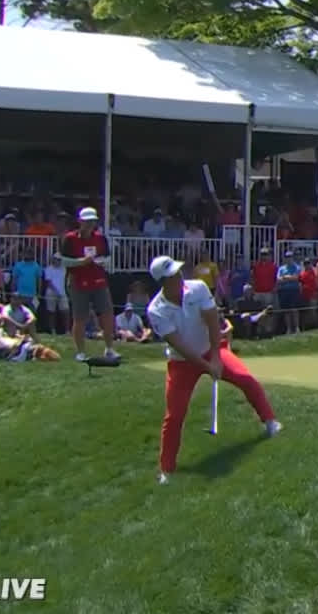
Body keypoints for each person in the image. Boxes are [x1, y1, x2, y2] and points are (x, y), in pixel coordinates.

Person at [145, 255, 281, 485]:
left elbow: (212, 322)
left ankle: (270, 422)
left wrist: (216, 358)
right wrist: (207, 367)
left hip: (212, 349)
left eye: (178, 272)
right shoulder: (156, 310)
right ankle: (167, 470)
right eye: (172, 276)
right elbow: (180, 346)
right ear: (162, 282)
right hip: (182, 363)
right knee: (174, 415)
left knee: (245, 378)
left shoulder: (197, 288)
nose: (179, 277)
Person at [59, 207, 120, 363]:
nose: (90, 224)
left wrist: (99, 262)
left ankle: (109, 348)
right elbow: (63, 261)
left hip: (99, 280)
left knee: (107, 314)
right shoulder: (70, 239)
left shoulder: (100, 238)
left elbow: (106, 258)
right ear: (80, 221)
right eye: (87, 221)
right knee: (80, 318)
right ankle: (80, 352)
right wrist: (80, 262)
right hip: (78, 282)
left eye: (92, 221)